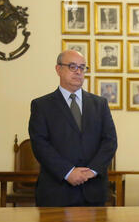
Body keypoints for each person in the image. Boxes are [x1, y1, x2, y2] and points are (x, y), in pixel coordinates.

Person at [28, 50, 118, 207]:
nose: (78, 72)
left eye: (82, 67)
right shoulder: (41, 105)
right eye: (72, 66)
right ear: (58, 69)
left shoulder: (100, 104)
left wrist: (92, 171)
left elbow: (110, 141)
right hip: (56, 192)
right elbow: (40, 145)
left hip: (94, 191)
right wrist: (68, 172)